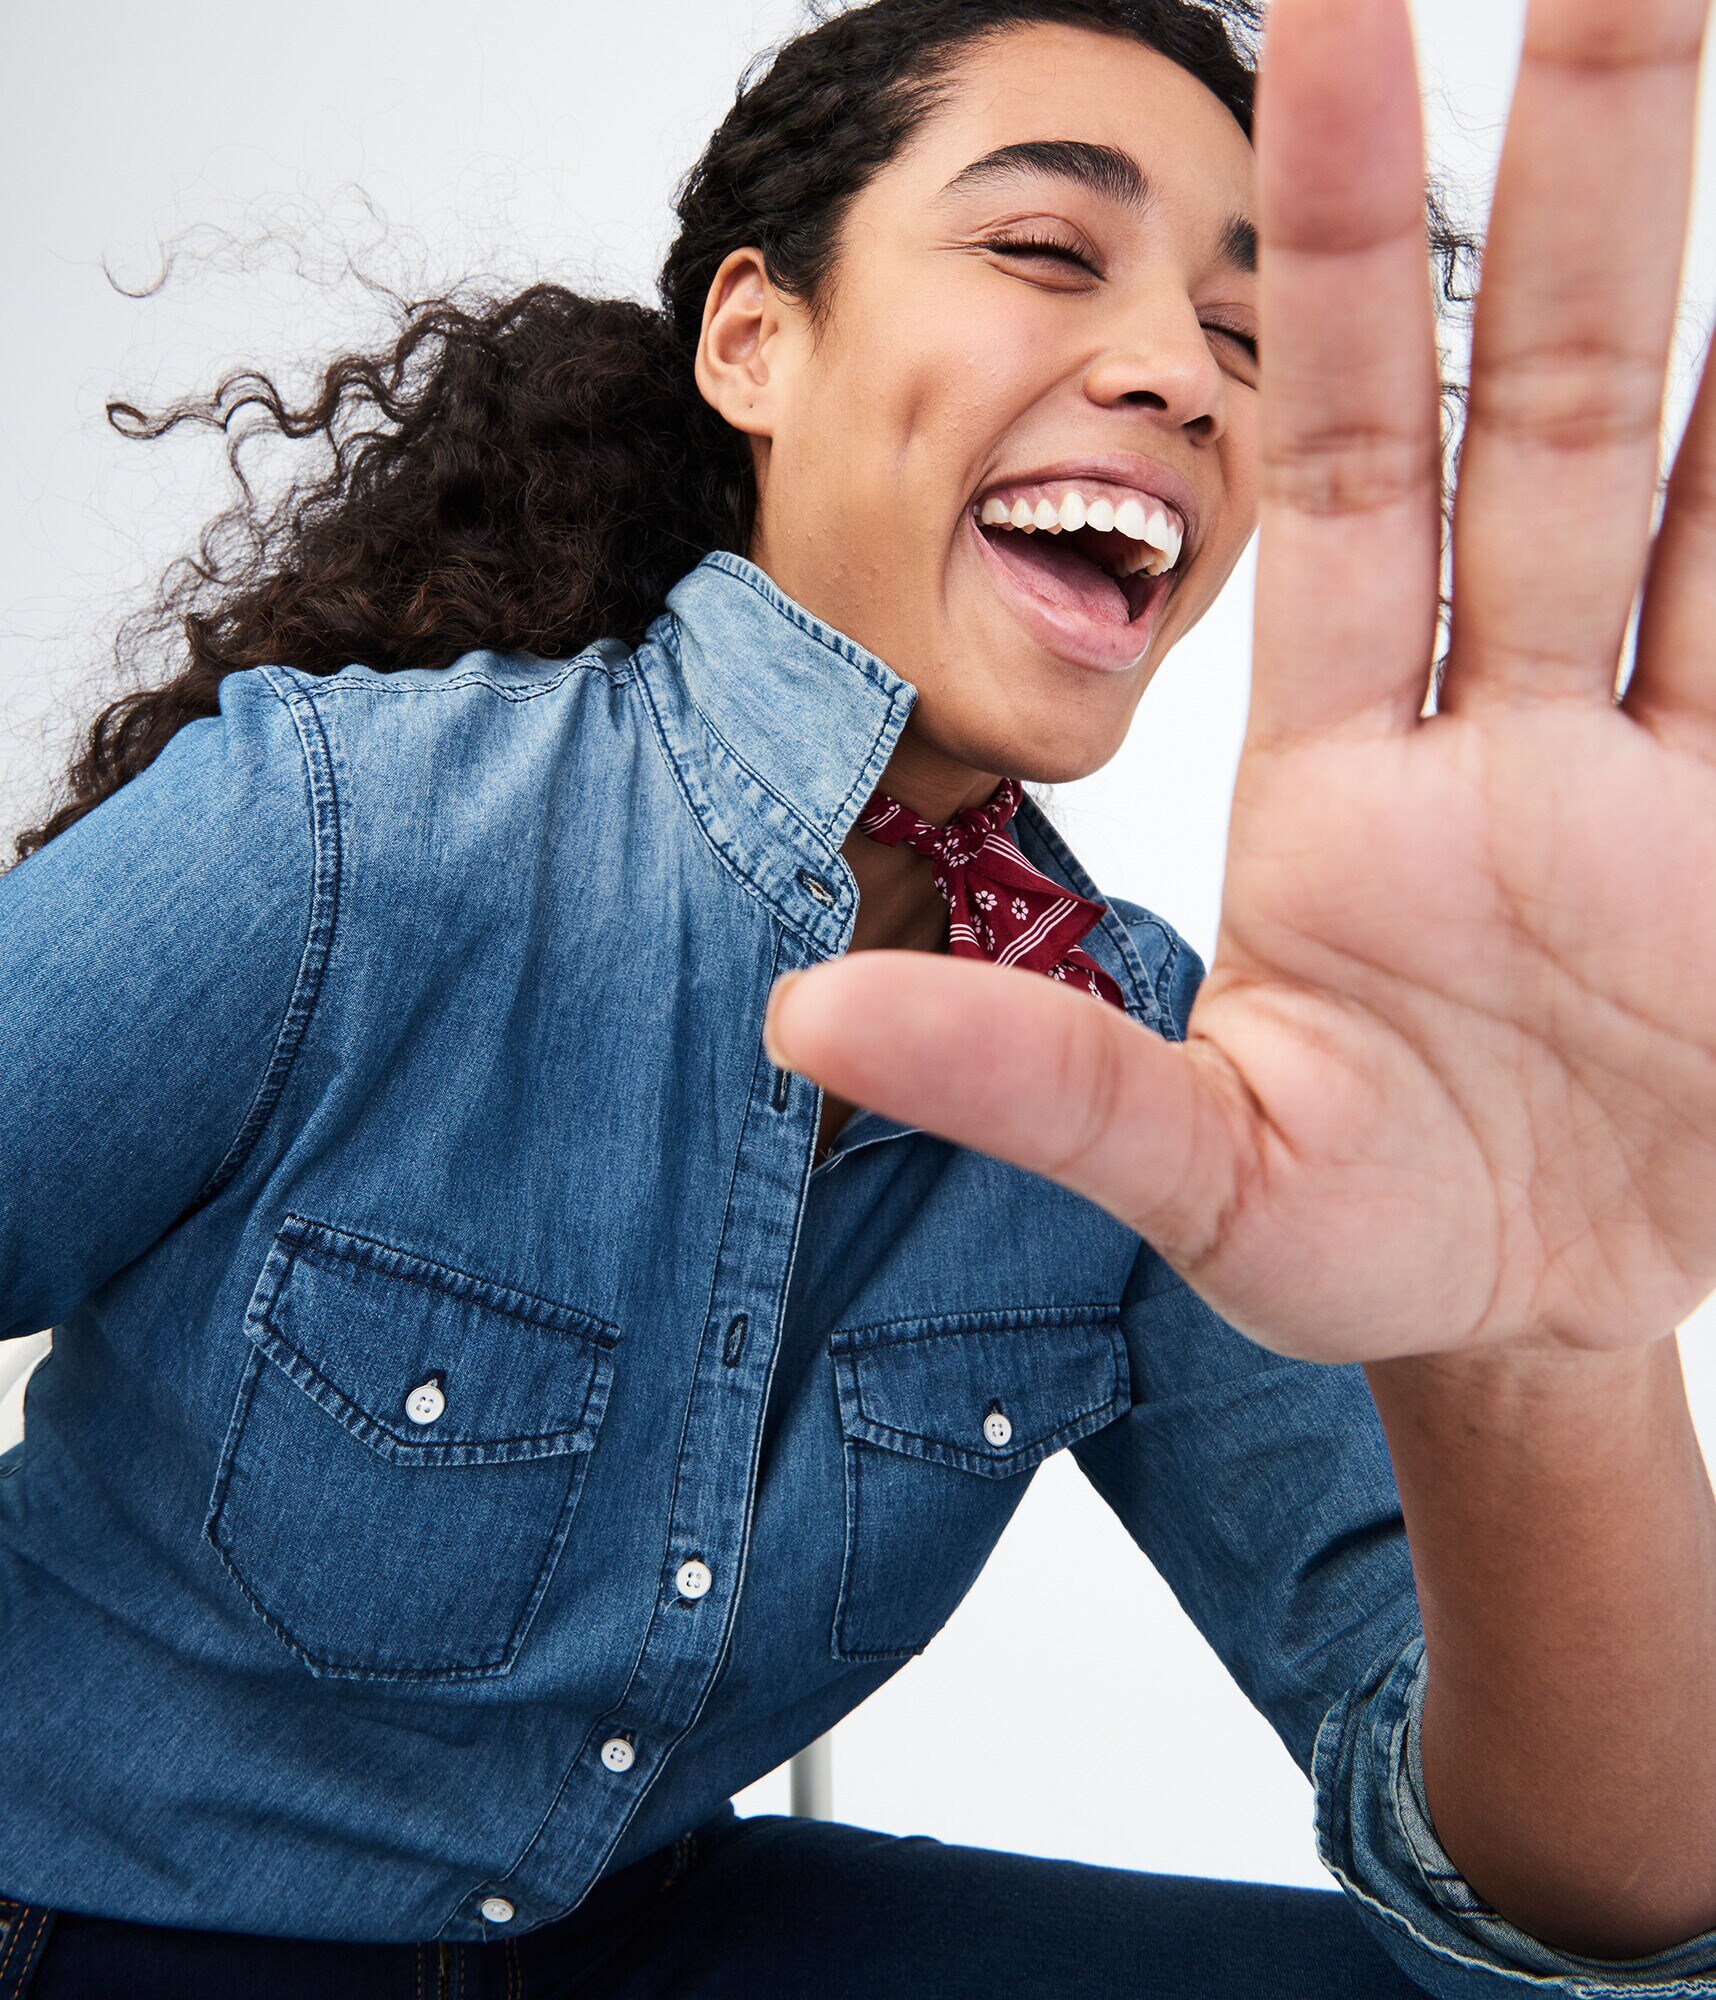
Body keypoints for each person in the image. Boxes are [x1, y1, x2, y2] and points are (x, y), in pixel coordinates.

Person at [1, 0, 1712, 1991]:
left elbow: (1604, 1903)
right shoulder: (337, 828)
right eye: (1047, 249)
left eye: (1252, 341)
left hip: (640, 1935)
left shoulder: (1179, 1077)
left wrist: (1534, 1346)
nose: (1181, 374)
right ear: (754, 340)